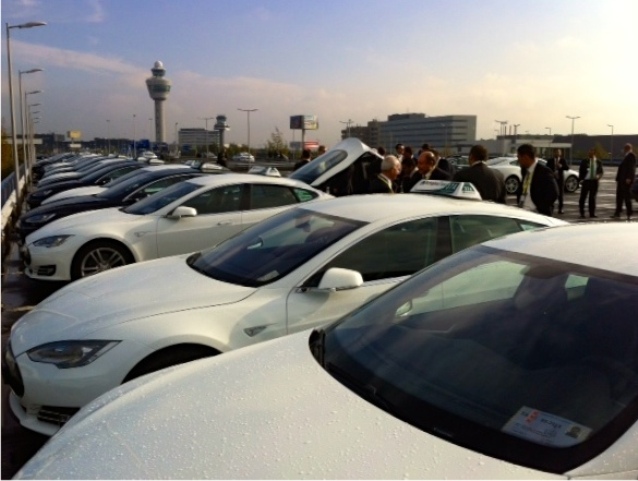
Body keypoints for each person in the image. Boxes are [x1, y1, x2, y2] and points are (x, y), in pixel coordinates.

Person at [515, 143, 558, 216]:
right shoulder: (524, 171)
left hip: (536, 214)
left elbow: (553, 193)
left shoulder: (544, 172)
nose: (518, 160)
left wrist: (540, 208)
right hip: (523, 212)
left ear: (525, 157)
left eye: (519, 157)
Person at [611, 143, 636, 220]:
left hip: (626, 181)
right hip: (621, 180)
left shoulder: (631, 156)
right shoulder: (626, 156)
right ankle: (618, 212)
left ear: (627, 149)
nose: (624, 150)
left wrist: (629, 178)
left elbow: (631, 168)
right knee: (619, 197)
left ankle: (629, 212)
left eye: (625, 148)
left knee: (626, 197)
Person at [578, 148, 604, 218]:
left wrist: (599, 176)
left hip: (594, 182)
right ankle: (582, 213)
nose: (589, 154)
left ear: (594, 153)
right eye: (589, 152)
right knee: (583, 197)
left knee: (592, 198)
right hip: (586, 181)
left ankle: (592, 213)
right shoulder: (584, 161)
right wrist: (580, 180)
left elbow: (601, 172)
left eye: (591, 152)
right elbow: (581, 171)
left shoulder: (598, 162)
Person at [546, 148, 569, 213]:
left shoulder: (563, 160)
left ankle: (560, 208)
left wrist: (561, 166)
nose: (557, 153)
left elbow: (567, 168)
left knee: (560, 194)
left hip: (560, 179)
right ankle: (551, 207)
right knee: (551, 194)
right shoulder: (550, 160)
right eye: (556, 152)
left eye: (559, 152)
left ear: (560, 153)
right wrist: (551, 172)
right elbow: (547, 168)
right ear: (554, 153)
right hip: (552, 179)